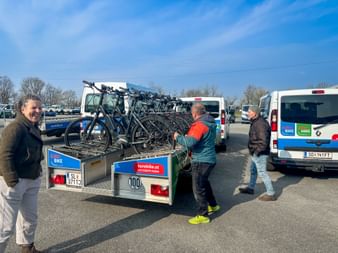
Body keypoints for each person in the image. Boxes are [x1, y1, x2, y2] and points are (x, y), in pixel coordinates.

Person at [0, 95, 44, 253]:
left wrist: (38, 172)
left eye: (39, 107)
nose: (38, 111)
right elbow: (4, 155)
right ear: (22, 109)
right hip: (14, 182)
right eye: (34, 107)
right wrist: (12, 181)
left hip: (31, 180)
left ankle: (27, 249)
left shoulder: (33, 126)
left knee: (29, 220)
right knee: (4, 227)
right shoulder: (15, 128)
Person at [173, 103, 220, 224]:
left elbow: (190, 142)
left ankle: (202, 215)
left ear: (194, 113)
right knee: (205, 183)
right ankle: (213, 205)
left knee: (198, 188)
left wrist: (177, 137)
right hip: (209, 159)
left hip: (201, 160)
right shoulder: (210, 122)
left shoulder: (199, 125)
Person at [239, 105, 276, 201]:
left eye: (249, 111)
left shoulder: (260, 124)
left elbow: (263, 141)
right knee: (253, 170)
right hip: (255, 151)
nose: (248, 113)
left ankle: (270, 193)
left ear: (255, 113)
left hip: (259, 153)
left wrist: (257, 152)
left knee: (262, 173)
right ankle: (251, 188)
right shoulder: (256, 122)